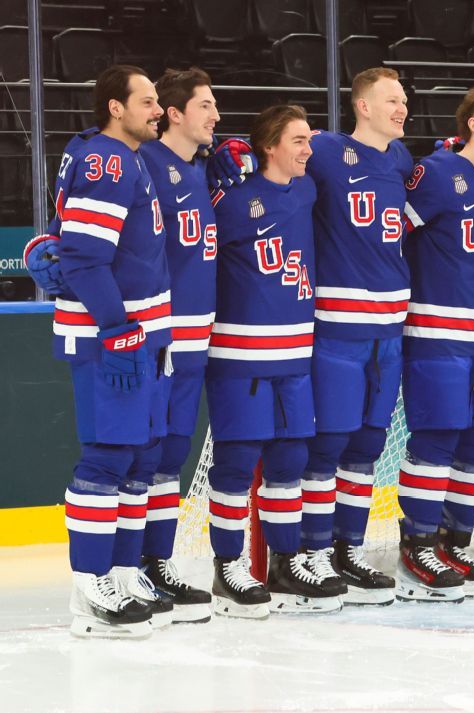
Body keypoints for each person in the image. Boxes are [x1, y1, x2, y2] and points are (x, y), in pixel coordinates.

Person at [51, 65, 170, 639]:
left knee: (138, 456)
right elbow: (82, 257)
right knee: (106, 459)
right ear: (115, 107)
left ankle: (121, 571)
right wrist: (117, 326)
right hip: (113, 338)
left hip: (140, 335)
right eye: (147, 101)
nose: (158, 109)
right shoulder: (108, 160)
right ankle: (90, 586)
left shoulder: (127, 156)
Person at [206, 104, 336, 615]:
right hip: (240, 351)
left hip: (296, 350)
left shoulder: (306, 189)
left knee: (290, 459)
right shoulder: (232, 199)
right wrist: (220, 156)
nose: (308, 150)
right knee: (237, 463)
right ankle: (227, 567)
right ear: (269, 146)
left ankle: (285, 562)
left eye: (308, 140)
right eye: (297, 141)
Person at [400, 82, 474, 600]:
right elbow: (392, 235)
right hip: (437, 331)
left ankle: (454, 542)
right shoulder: (436, 173)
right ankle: (417, 544)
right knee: (437, 438)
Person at [299, 67, 413, 606]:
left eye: (404, 99)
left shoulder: (402, 160)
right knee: (328, 444)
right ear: (362, 106)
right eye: (391, 100)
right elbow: (272, 162)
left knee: (368, 446)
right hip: (337, 326)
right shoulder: (324, 150)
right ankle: (313, 551)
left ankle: (349, 548)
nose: (402, 108)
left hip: (389, 329)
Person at [134, 68, 225, 622]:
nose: (215, 115)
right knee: (142, 453)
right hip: (158, 334)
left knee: (171, 455)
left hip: (198, 335)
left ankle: (157, 561)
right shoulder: (143, 162)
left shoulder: (201, 167)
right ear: (174, 113)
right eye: (205, 106)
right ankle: (126, 568)